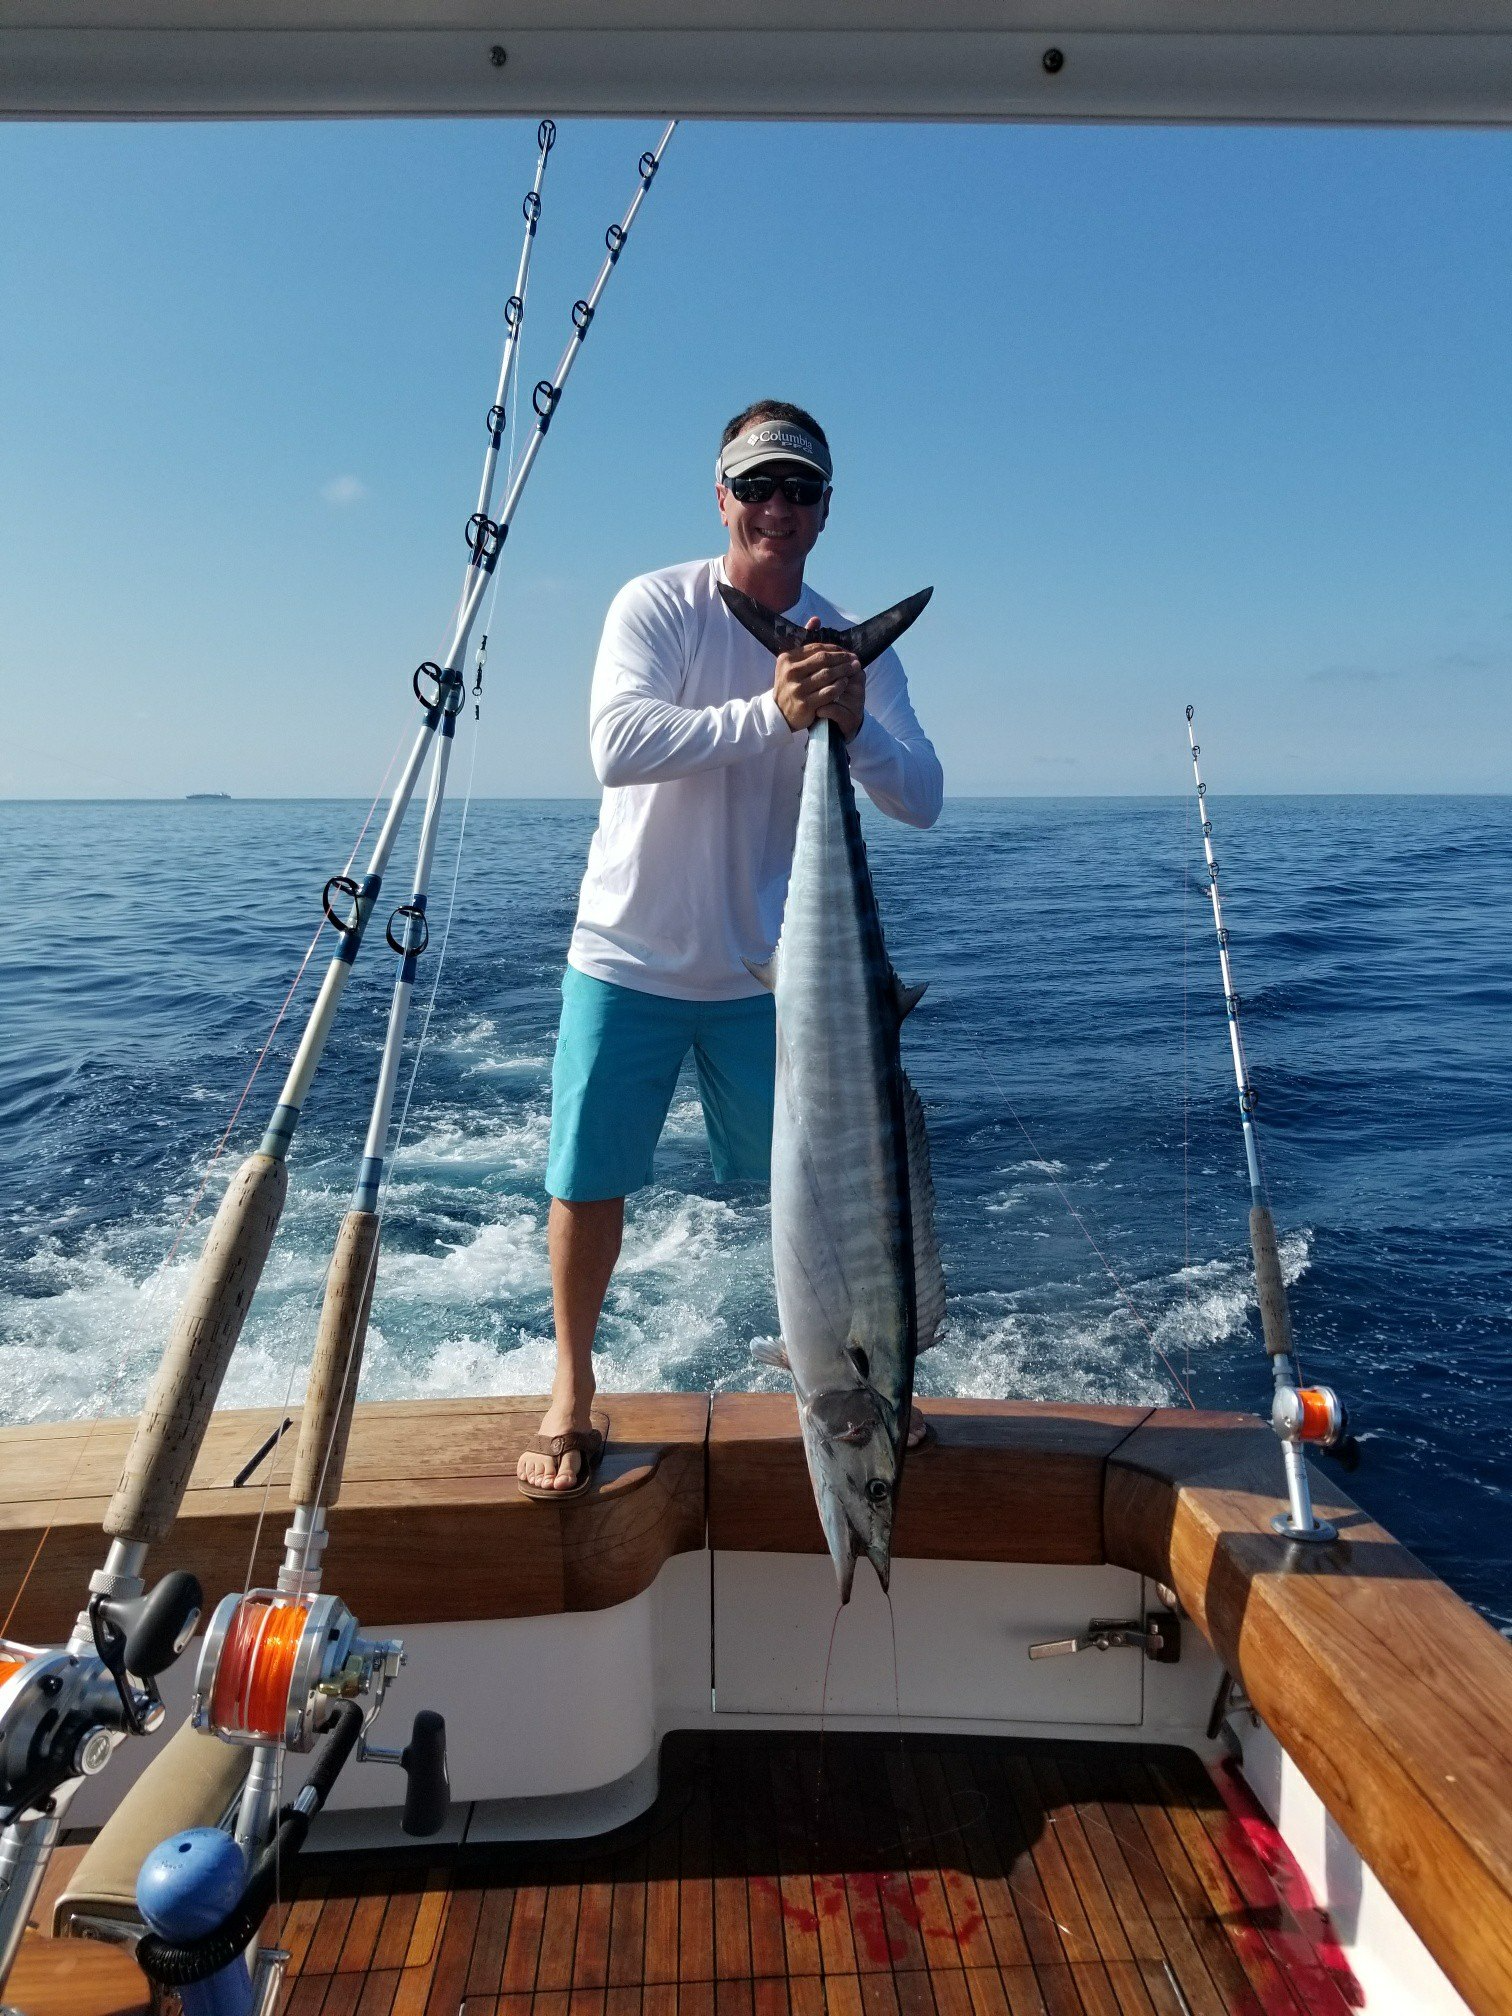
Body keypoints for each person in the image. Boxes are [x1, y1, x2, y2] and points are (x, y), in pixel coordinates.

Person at [517, 400, 943, 1496]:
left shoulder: (848, 642)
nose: (778, 506)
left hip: (778, 976)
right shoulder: (655, 605)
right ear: (722, 497)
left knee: (821, 1185)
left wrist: (854, 722)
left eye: (800, 488)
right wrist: (775, 709)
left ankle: (855, 1374)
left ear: (825, 510)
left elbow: (922, 798)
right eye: (758, 485)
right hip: (628, 956)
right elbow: (617, 744)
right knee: (588, 1183)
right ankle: (571, 1386)